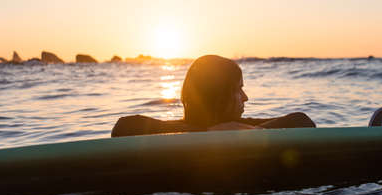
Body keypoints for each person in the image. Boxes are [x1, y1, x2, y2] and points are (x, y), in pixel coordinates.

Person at [111, 55, 315, 137]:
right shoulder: (174, 133)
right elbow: (124, 128)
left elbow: (303, 121)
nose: (245, 98)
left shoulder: (244, 127)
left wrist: (252, 131)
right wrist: (207, 131)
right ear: (217, 94)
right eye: (238, 89)